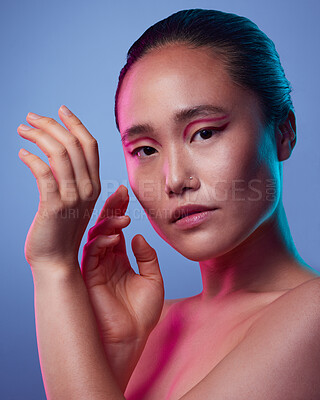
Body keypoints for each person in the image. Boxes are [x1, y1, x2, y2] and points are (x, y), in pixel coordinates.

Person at [17, 8, 320, 400]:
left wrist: (55, 267)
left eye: (205, 133)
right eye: (145, 149)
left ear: (283, 132)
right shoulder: (148, 325)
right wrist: (118, 347)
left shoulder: (313, 315)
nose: (175, 179)